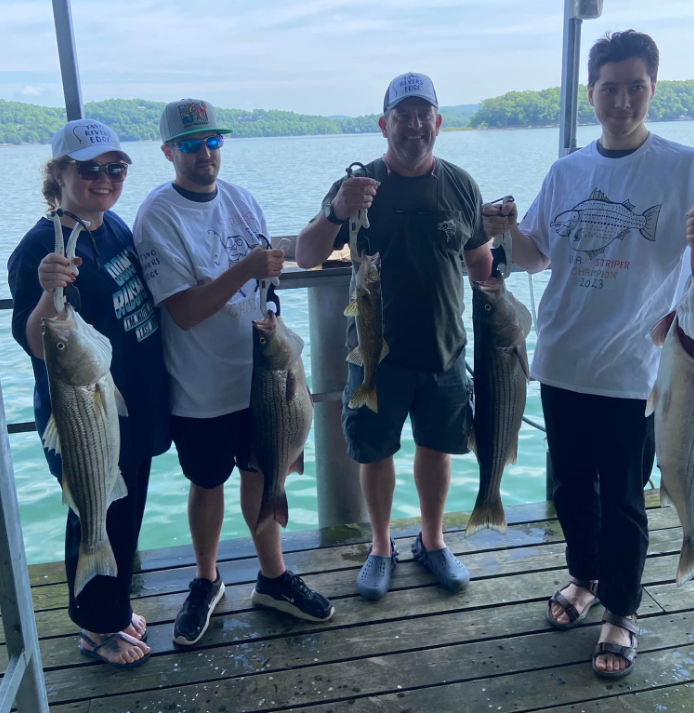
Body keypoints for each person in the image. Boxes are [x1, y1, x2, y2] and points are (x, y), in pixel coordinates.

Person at [482, 30, 694, 679]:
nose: (622, 100)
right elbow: (533, 254)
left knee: (626, 497)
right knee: (570, 487)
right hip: (561, 361)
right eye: (609, 87)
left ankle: (622, 611)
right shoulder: (567, 170)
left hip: (636, 369)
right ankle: (584, 575)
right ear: (590, 92)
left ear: (653, 89)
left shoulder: (682, 166)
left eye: (635, 86)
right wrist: (503, 233)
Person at [132, 98, 334, 647]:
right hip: (200, 386)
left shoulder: (242, 201)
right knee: (207, 483)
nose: (205, 154)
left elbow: (265, 286)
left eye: (213, 141)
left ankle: (273, 577)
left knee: (262, 474)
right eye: (192, 144)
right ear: (170, 151)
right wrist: (244, 267)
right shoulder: (158, 216)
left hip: (265, 379)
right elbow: (184, 311)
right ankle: (206, 579)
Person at [295, 73, 493, 601]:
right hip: (374, 352)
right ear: (384, 125)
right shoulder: (357, 187)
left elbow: (478, 262)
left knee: (437, 449)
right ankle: (381, 546)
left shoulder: (461, 184)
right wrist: (337, 210)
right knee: (375, 452)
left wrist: (503, 242)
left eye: (422, 113)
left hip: (445, 349)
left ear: (438, 122)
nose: (413, 124)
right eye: (401, 115)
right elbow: (308, 255)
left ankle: (432, 541)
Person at [8, 120, 170, 668]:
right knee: (96, 511)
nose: (105, 178)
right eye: (89, 168)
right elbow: (36, 341)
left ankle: (113, 605)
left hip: (131, 408)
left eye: (115, 168)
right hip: (85, 414)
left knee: (127, 512)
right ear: (59, 173)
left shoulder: (113, 226)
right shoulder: (41, 247)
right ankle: (95, 627)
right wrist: (48, 293)